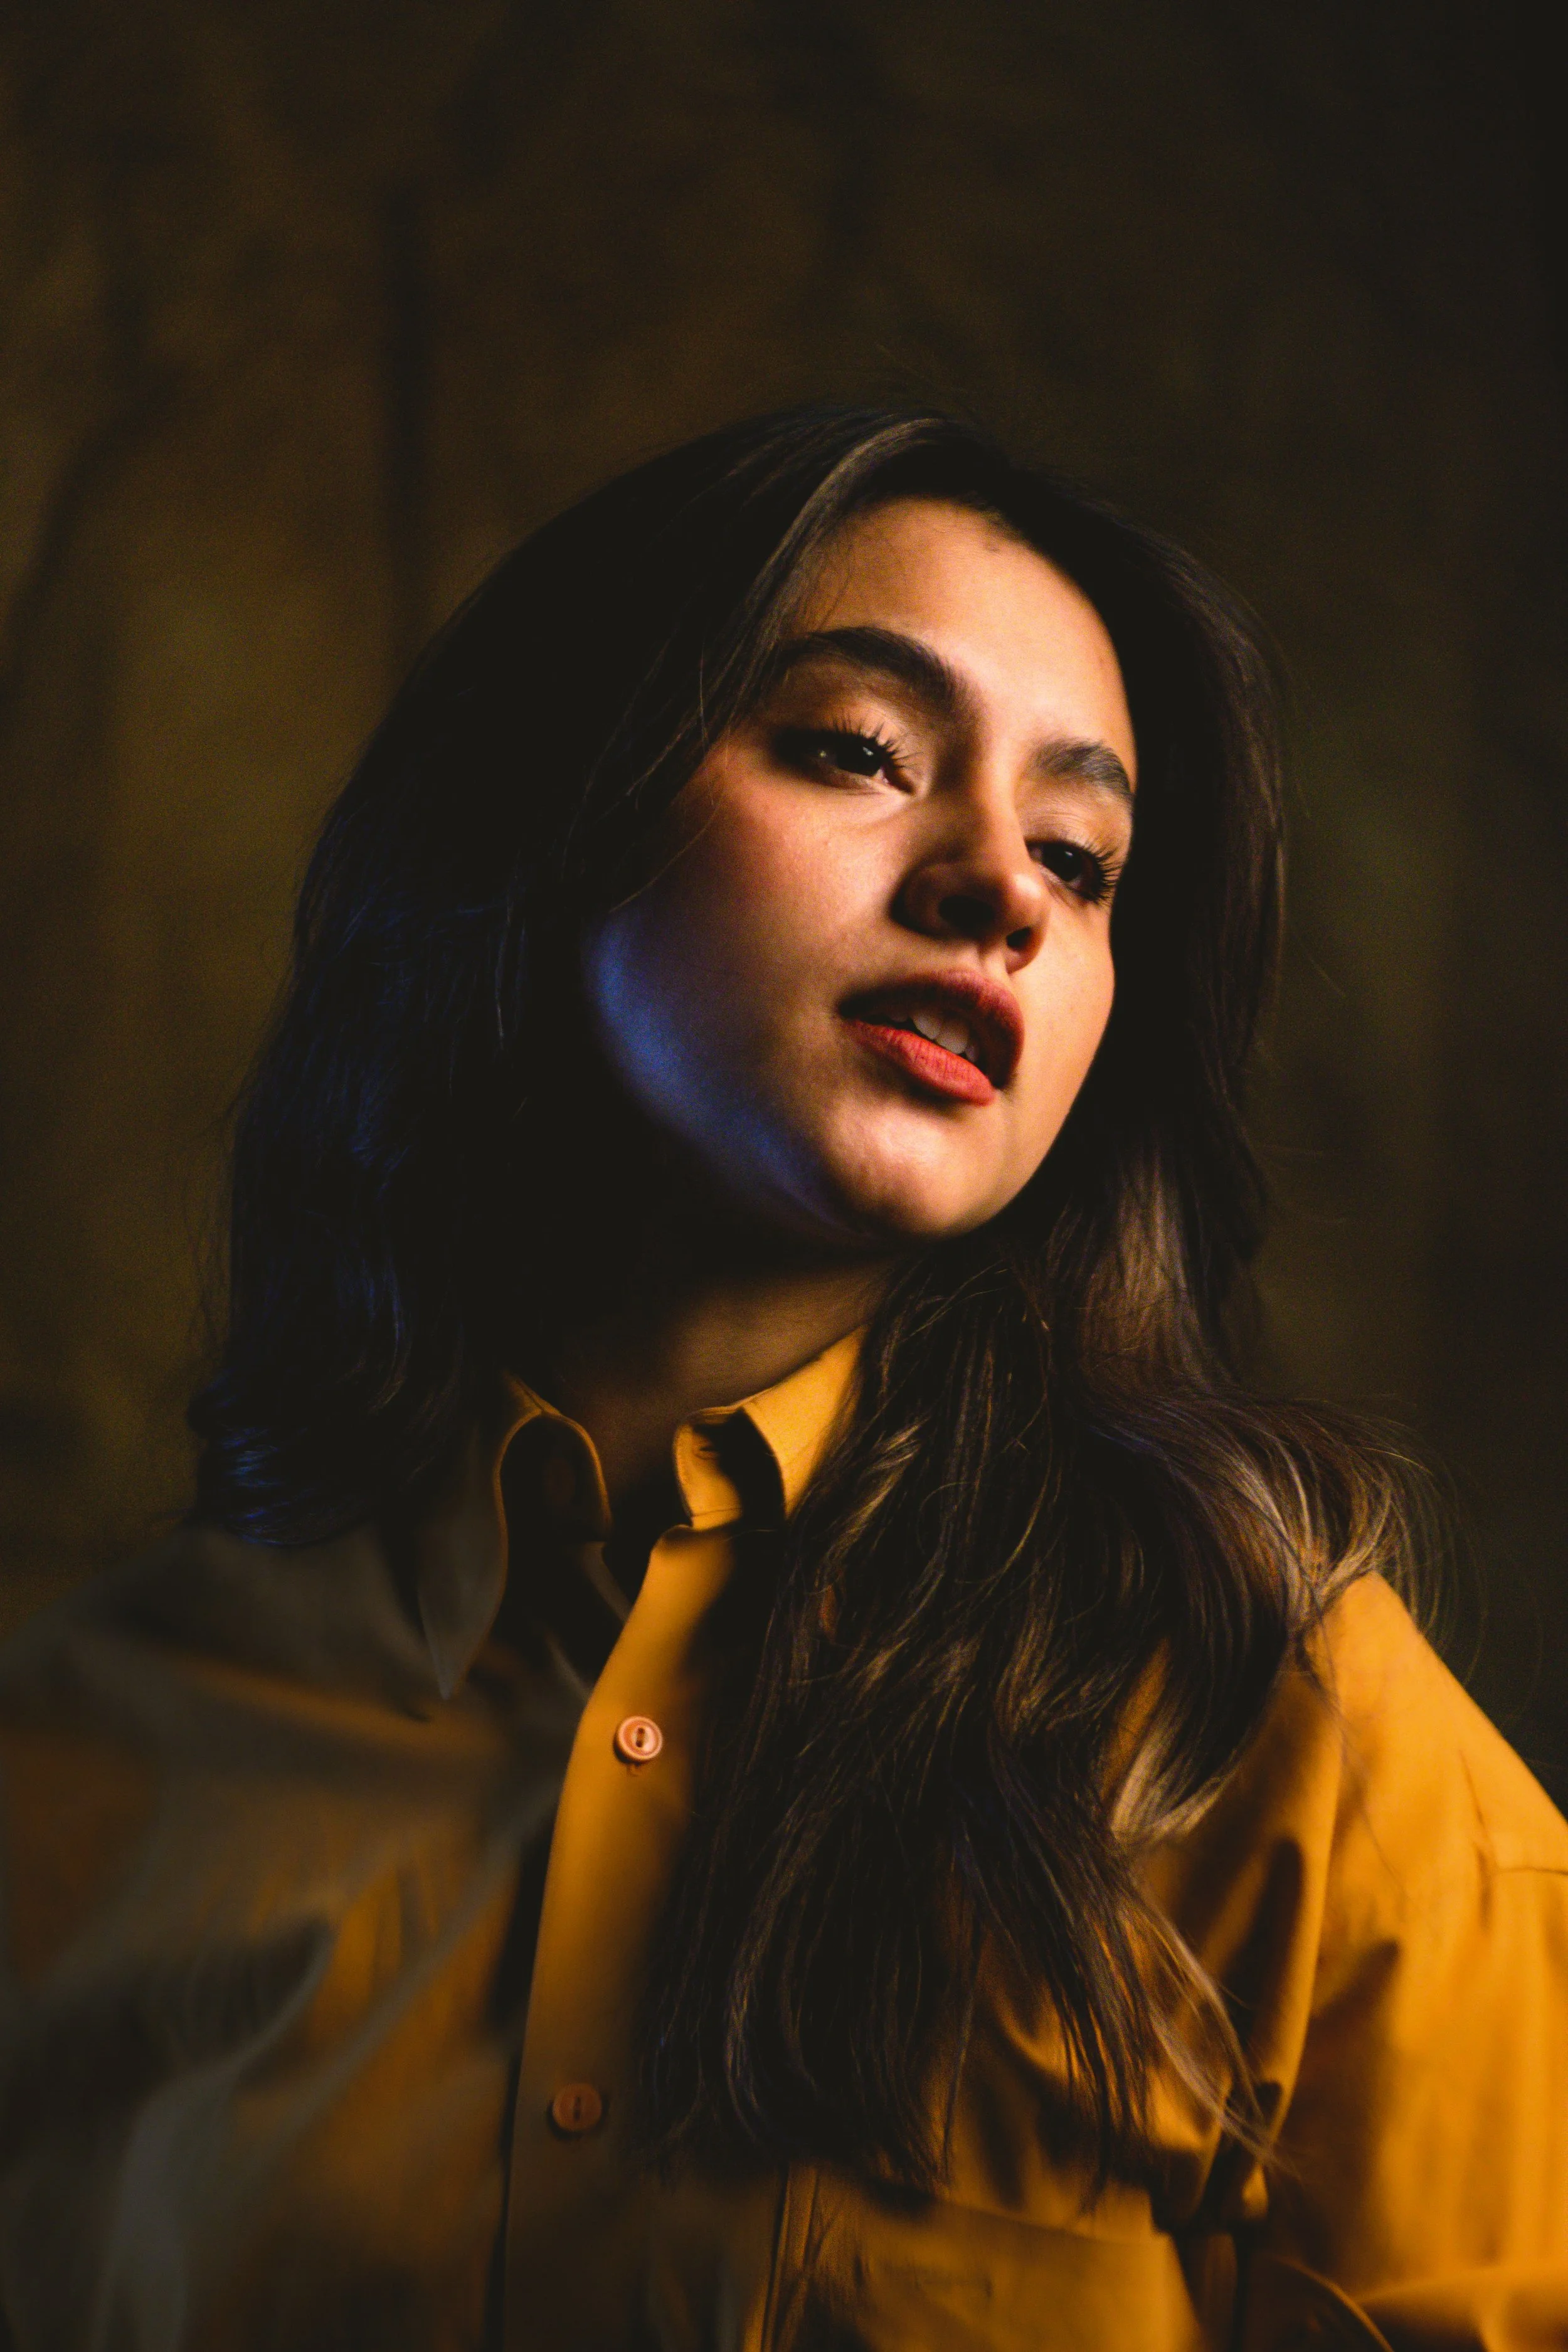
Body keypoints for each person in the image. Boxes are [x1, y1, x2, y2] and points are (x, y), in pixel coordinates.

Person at [0, 407, 1563, 2352]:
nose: (1001, 883)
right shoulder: (66, 1760)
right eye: (856, 751)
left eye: (1083, 859)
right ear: (550, 805)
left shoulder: (1291, 1740)